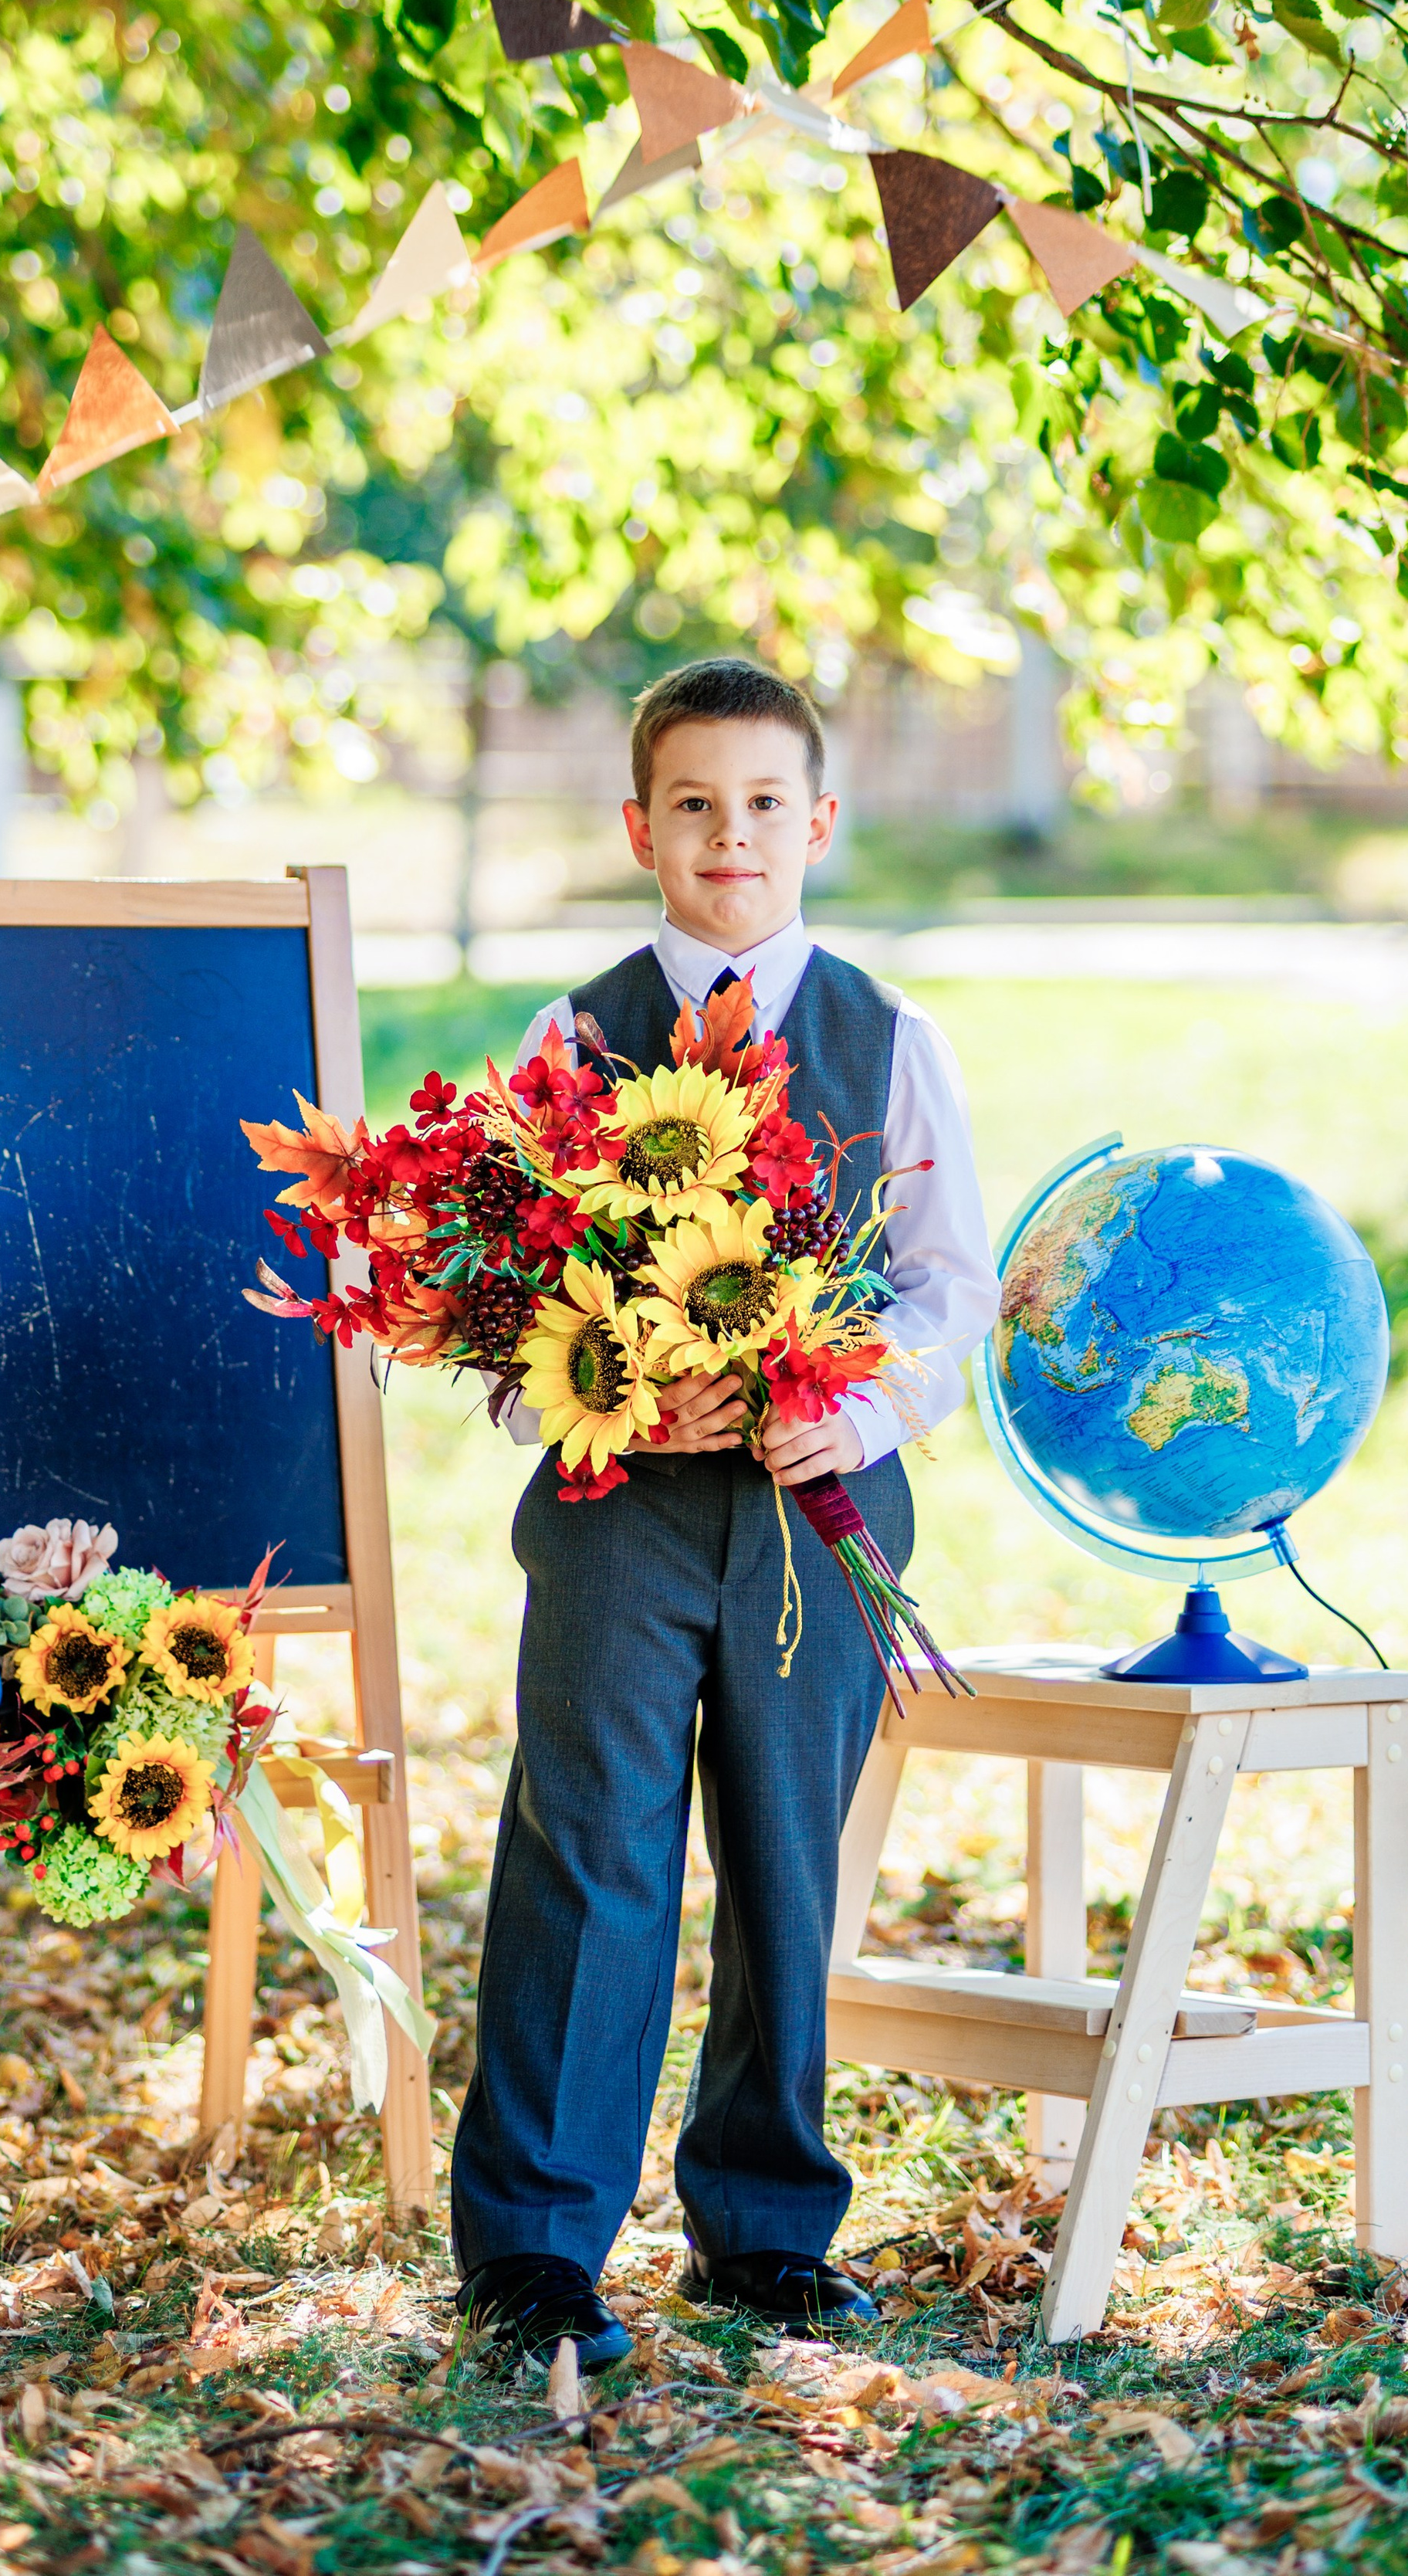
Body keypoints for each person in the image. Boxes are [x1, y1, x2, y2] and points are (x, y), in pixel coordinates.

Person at [449, 657, 1000, 2368]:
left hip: (810, 1518)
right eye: (691, 803)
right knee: (587, 1848)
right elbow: (493, 1289)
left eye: (763, 803)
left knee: (781, 1858)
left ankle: (761, 2226)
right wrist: (608, 1368)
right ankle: (535, 2253)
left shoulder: (890, 1038)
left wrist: (839, 1401)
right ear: (637, 827)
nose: (728, 834)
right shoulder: (571, 1038)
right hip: (617, 1514)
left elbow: (947, 1288)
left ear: (817, 822)